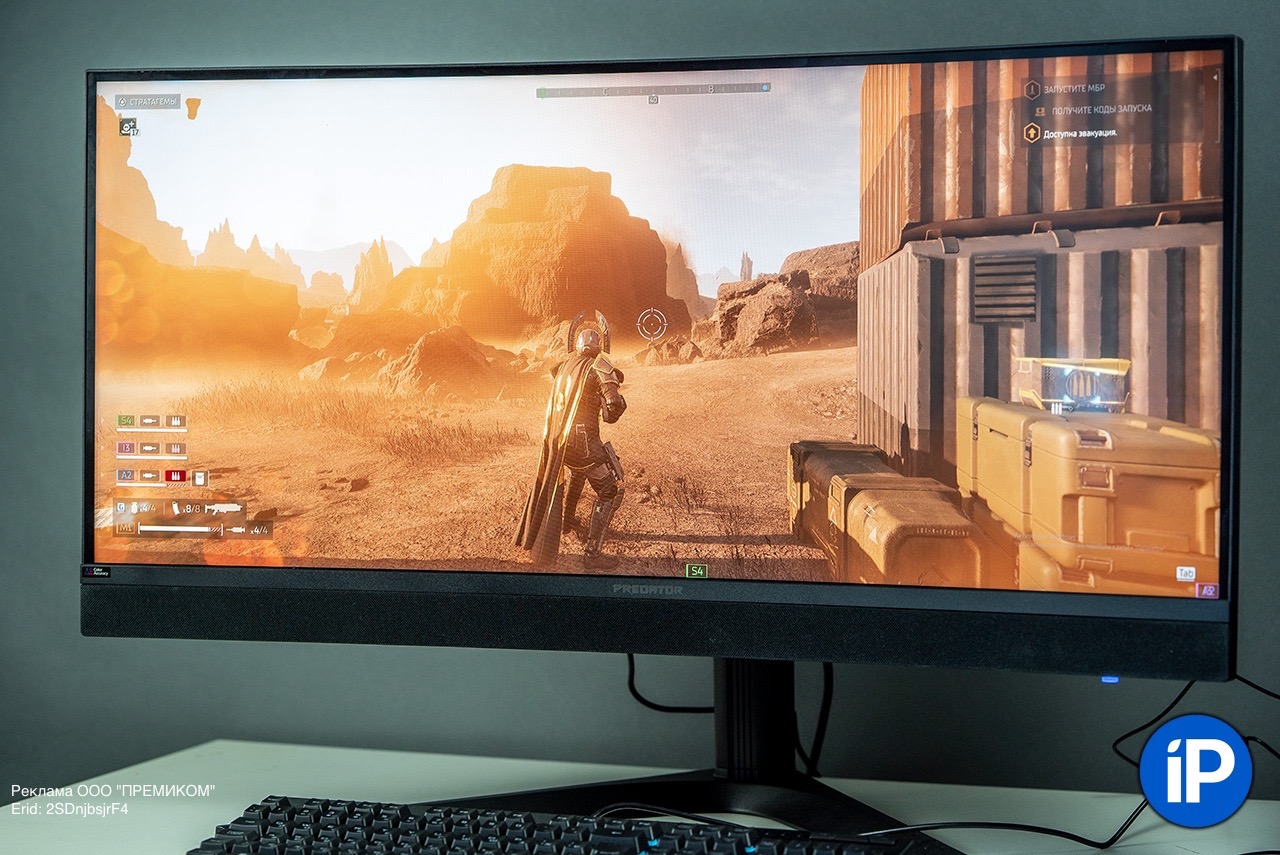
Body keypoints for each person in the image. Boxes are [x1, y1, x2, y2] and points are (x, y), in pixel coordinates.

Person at [515, 318, 627, 570]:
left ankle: (567, 522)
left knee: (577, 473)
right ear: (599, 345)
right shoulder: (599, 366)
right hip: (586, 445)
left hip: (562, 442)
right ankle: (592, 554)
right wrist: (616, 405)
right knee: (611, 490)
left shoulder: (565, 365)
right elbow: (613, 407)